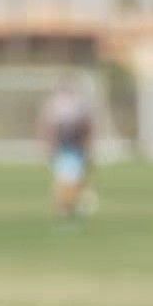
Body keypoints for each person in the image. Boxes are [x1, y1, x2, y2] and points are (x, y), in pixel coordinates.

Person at [37, 77, 96, 221]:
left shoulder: (77, 104)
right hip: (64, 145)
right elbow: (49, 126)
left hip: (74, 145)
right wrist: (48, 144)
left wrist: (87, 143)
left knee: (73, 177)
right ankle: (64, 207)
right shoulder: (57, 104)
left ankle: (67, 206)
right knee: (65, 177)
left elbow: (85, 125)